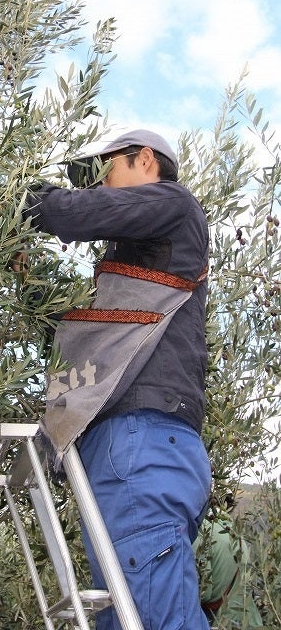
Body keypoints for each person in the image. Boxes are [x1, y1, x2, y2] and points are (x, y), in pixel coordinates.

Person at [23, 129, 212, 629]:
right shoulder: (136, 259)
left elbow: (70, 214)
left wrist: (15, 196)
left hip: (140, 439)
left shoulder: (173, 202)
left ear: (145, 159)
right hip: (138, 448)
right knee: (127, 613)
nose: (99, 188)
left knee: (147, 617)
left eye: (104, 172)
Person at [194, 516, 263, 627]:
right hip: (242, 584)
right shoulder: (206, 518)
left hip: (228, 605)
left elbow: (203, 592)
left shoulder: (192, 538)